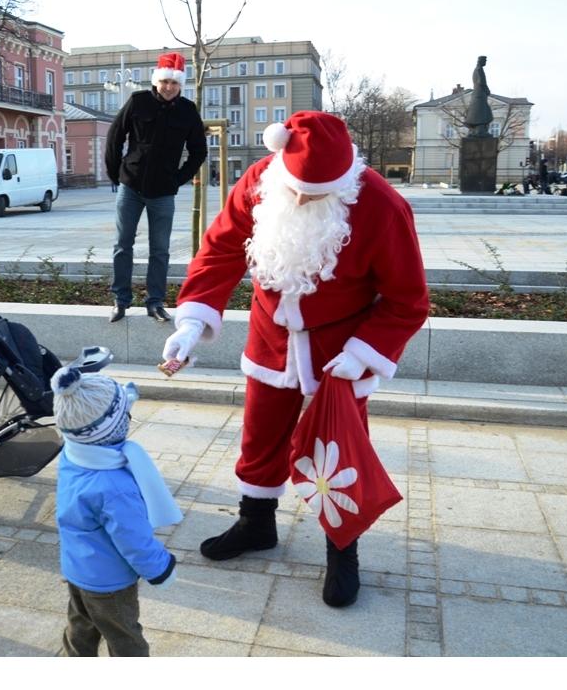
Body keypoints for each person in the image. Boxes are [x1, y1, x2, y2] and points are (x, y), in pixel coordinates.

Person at [161, 111, 429, 608]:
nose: (304, 199)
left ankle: (342, 549)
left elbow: (408, 299)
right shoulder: (260, 179)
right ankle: (255, 523)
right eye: (299, 190)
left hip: (341, 349)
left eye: (318, 193)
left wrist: (362, 354)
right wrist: (192, 323)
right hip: (271, 334)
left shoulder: (382, 205)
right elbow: (220, 249)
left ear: (346, 181)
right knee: (260, 433)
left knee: (339, 451)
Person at [51, 366, 181, 656]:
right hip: (110, 582)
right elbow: (132, 538)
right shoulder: (114, 487)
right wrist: (161, 567)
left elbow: (95, 422)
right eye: (126, 416)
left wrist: (123, 401)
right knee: (125, 638)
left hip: (77, 569)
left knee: (80, 627)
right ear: (113, 429)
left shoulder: (74, 453)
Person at [105, 52, 206, 324]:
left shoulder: (187, 110)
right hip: (131, 186)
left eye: (173, 83)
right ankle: (120, 300)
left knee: (160, 249)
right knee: (122, 244)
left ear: (180, 85)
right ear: (156, 81)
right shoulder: (138, 101)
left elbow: (198, 151)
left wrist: (178, 179)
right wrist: (116, 174)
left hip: (163, 191)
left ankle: (156, 302)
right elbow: (114, 137)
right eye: (164, 82)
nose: (169, 87)